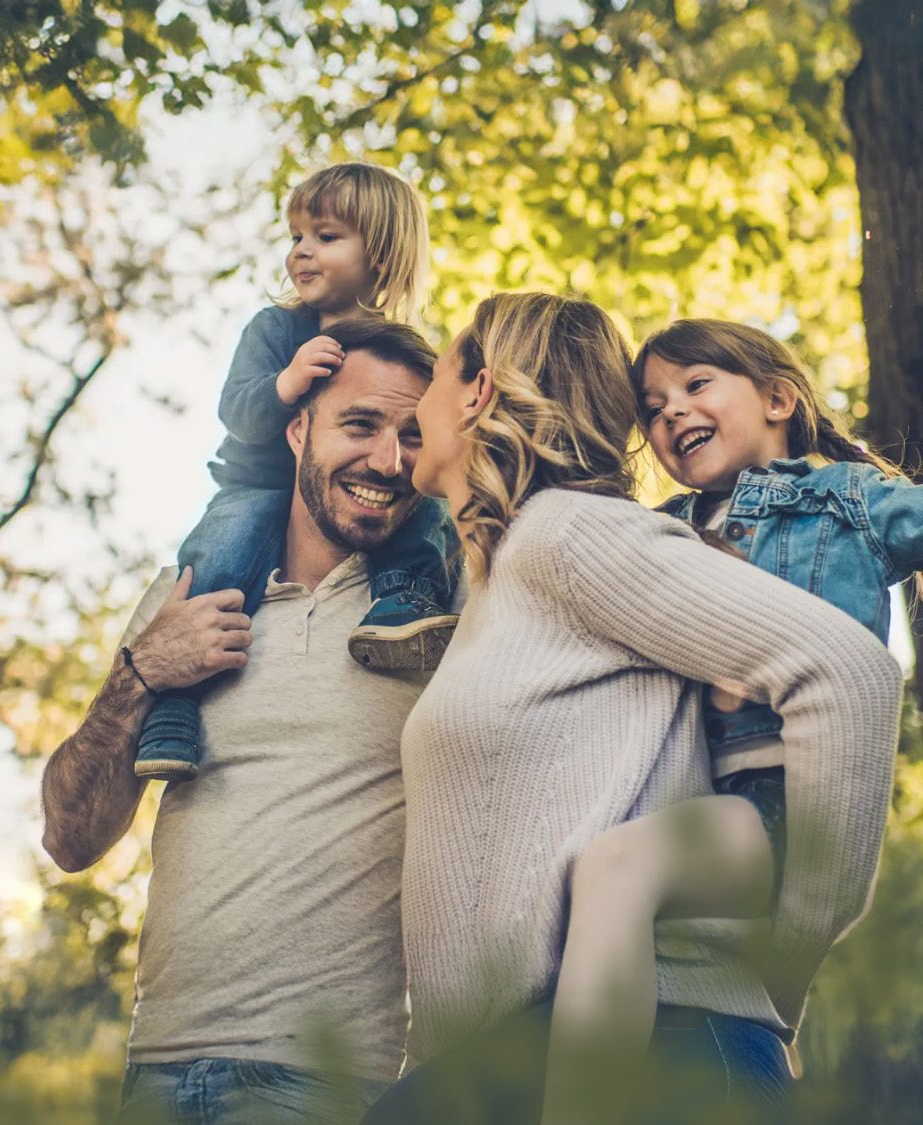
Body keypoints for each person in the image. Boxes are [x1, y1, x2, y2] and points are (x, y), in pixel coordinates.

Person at [365, 293, 902, 1124]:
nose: (415, 411)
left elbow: (848, 671)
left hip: (669, 1046)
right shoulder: (510, 570)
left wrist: (788, 946)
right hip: (524, 1060)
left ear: (477, 393)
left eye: (433, 376)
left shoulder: (573, 536)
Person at [43, 319, 442, 1122]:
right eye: (359, 424)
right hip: (156, 1067)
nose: (386, 461)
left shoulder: (436, 617)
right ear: (297, 427)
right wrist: (142, 671)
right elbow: (69, 836)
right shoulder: (189, 595)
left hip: (327, 1081)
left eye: (411, 435)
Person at [540, 319, 922, 1124]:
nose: (673, 411)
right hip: (690, 792)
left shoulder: (844, 498)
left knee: (619, 867)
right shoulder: (661, 527)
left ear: (778, 397)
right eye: (653, 406)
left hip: (780, 797)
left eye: (697, 384)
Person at [133, 163, 459, 784]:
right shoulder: (277, 330)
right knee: (221, 554)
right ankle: (175, 707)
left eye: (326, 237)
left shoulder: (405, 350)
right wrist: (287, 383)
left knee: (430, 513)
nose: (301, 252)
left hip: (358, 497)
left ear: (383, 254)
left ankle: (404, 603)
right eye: (295, 237)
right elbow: (237, 411)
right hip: (259, 486)